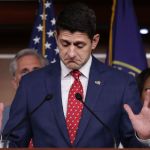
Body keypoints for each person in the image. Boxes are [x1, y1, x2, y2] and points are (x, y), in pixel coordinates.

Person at [3, 2, 150, 147]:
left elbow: (133, 143)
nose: (71, 53)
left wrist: (143, 137)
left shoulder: (121, 84)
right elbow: (14, 142)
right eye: (65, 44)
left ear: (94, 41)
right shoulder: (31, 84)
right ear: (55, 37)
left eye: (79, 45)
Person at [1, 48, 49, 130]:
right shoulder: (3, 117)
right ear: (14, 83)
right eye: (24, 72)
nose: (31, 76)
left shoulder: (61, 113)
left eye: (36, 70)